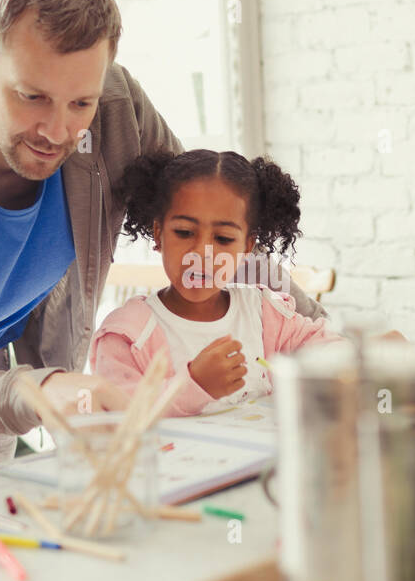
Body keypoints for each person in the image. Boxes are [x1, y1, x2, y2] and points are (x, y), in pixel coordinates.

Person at [0, 0, 325, 470]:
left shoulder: (117, 110)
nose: (58, 132)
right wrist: (48, 390)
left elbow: (213, 219)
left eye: (80, 103)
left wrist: (325, 329)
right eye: (32, 96)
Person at [90, 149, 341, 415]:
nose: (202, 253)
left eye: (223, 239)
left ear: (247, 246)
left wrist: (370, 354)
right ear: (159, 233)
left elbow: (328, 349)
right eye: (185, 232)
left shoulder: (266, 313)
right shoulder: (129, 334)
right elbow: (112, 412)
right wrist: (193, 385)